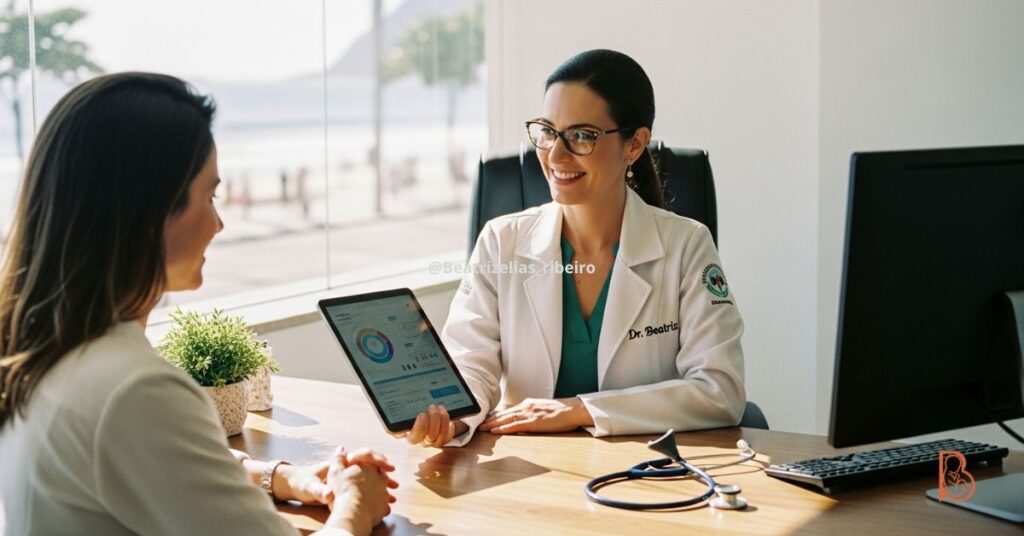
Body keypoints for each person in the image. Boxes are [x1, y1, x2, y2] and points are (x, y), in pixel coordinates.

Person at [0, 73, 396, 536]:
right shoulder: (135, 389)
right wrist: (355, 505)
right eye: (209, 196)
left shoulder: (44, 355)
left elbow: (159, 462)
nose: (219, 223)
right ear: (149, 210)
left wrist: (282, 476)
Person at [404, 49, 745, 448]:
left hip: (645, 467)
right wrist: (451, 418)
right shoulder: (501, 241)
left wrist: (581, 410)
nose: (555, 154)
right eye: (548, 131)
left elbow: (720, 390)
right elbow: (470, 364)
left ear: (634, 144)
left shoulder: (686, 246)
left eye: (582, 135)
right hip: (527, 467)